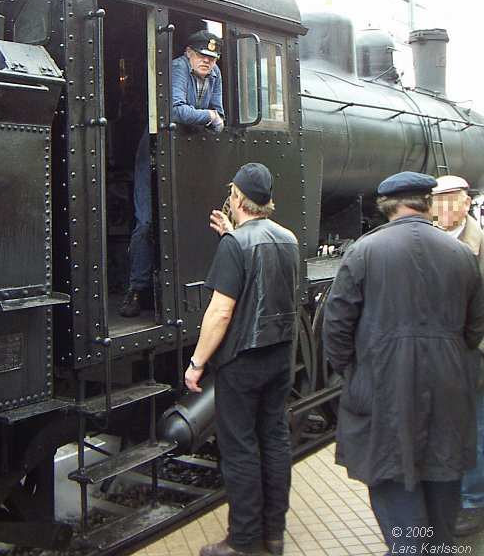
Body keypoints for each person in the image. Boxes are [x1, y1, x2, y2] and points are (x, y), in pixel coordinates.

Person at [323, 170, 484, 555]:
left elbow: (336, 327)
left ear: (386, 206)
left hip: (384, 393)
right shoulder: (461, 254)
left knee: (398, 498)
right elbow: (474, 328)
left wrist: (357, 373)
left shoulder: (364, 251)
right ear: (427, 202)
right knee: (442, 493)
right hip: (448, 391)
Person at [184, 163, 299, 556]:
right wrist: (232, 239)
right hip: (280, 356)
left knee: (240, 449)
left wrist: (197, 363)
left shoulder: (234, 246)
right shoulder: (288, 238)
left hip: (242, 361)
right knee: (274, 440)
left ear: (237, 200)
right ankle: (273, 534)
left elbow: (220, 313)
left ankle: (244, 540)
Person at [120, 29, 225, 317]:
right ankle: (136, 288)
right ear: (189, 53)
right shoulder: (177, 69)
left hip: (187, 151)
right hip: (154, 150)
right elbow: (176, 112)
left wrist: (209, 117)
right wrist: (208, 117)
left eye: (212, 58)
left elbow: (221, 117)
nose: (208, 62)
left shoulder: (214, 74)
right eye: (203, 56)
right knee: (146, 221)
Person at [432, 174, 484, 537]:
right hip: (440, 355)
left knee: (477, 427)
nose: (446, 207)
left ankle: (472, 501)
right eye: (440, 200)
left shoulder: (480, 245)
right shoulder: (430, 241)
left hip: (473, 353)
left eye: (454, 200)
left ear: (467, 202)